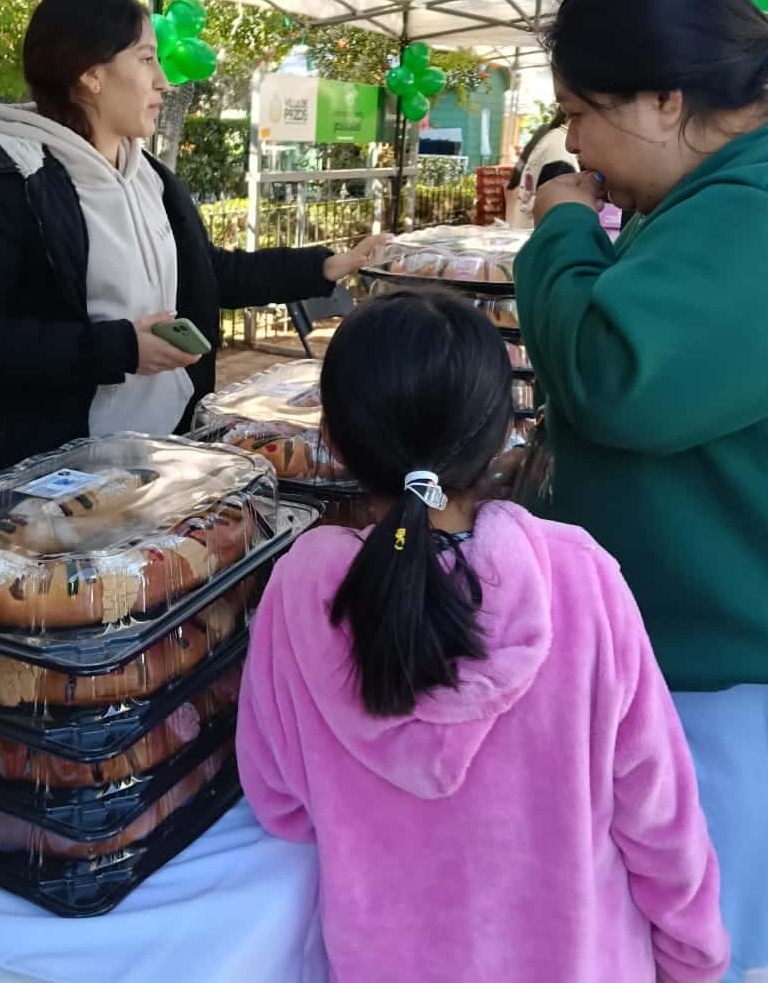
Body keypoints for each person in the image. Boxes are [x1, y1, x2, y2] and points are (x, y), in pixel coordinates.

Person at [236, 289, 728, 983]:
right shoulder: (576, 574)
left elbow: (281, 803)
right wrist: (693, 957)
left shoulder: (298, 591)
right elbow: (656, 811)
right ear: (502, 434)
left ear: (334, 439)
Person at [513, 0, 768, 982]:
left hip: (736, 688)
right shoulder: (717, 196)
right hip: (697, 666)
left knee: (726, 950)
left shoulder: (756, 212)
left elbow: (612, 368)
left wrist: (563, 226)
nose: (576, 143)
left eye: (582, 112)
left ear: (666, 100)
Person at [0, 0, 383, 488]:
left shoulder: (148, 174)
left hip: (160, 450)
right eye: (146, 59)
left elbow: (207, 273)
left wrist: (324, 266)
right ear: (91, 73)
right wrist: (118, 349)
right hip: (59, 475)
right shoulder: (9, 176)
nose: (163, 81)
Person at [504, 108, 577, 228]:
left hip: (527, 232)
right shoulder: (562, 152)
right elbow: (556, 216)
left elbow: (515, 178)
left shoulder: (551, 136)